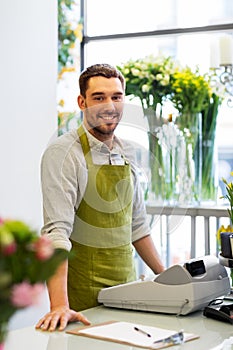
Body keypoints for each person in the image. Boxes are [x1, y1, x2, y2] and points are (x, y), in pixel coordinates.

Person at [36, 63, 164, 332]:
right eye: (99, 97)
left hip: (127, 295)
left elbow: (138, 227)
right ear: (82, 102)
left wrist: (167, 280)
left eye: (116, 97)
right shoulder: (64, 153)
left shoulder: (127, 152)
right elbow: (56, 233)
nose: (109, 105)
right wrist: (59, 305)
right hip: (84, 301)